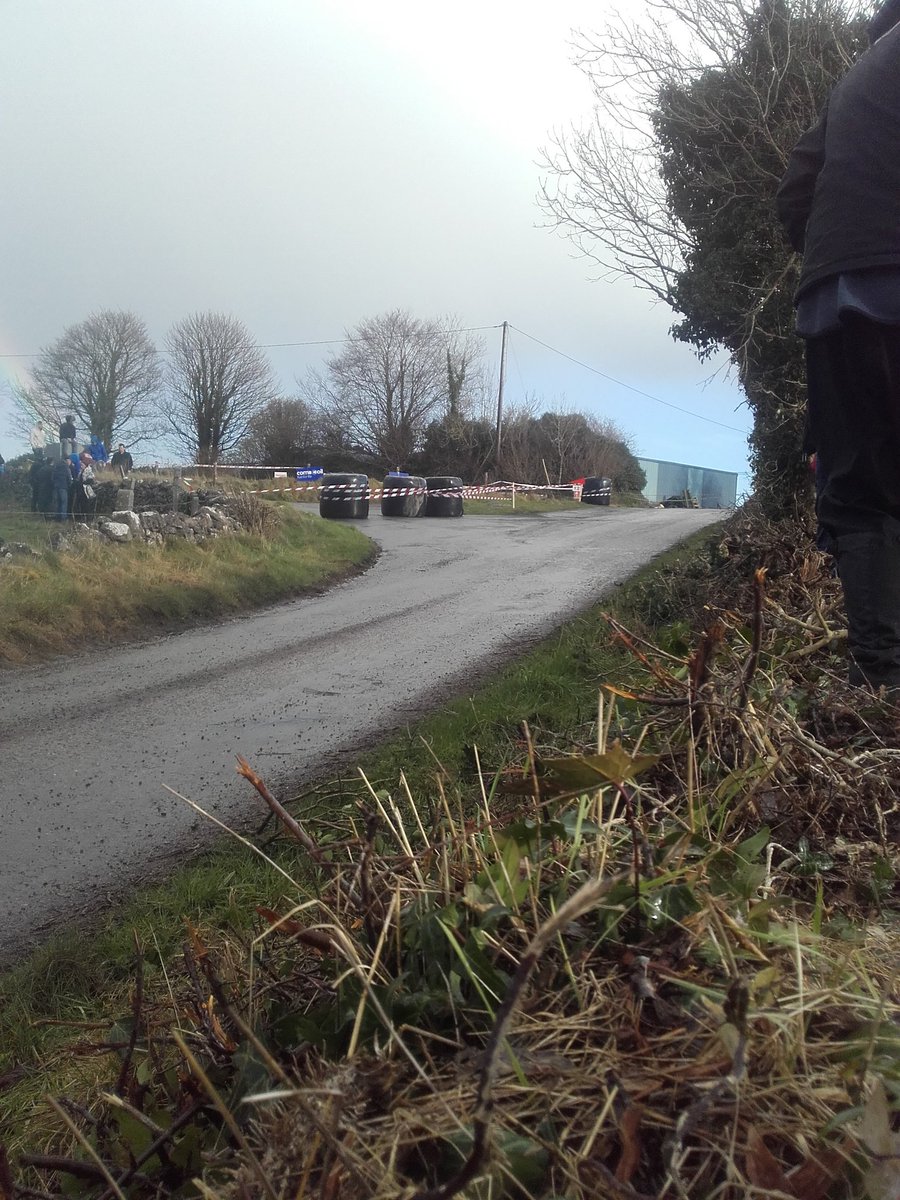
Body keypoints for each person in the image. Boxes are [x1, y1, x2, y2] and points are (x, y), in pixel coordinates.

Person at [776, 0, 900, 691]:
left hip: (834, 295)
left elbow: (795, 194)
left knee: (860, 489)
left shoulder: (852, 81)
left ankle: (879, 679)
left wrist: (840, 251)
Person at [50, 454, 73, 522]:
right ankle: (63, 518)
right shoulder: (66, 467)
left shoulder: (56, 466)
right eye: (69, 461)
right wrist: (69, 485)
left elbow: (52, 477)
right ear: (67, 460)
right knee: (64, 503)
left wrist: (54, 484)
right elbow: (69, 478)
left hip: (56, 487)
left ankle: (57, 517)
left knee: (58, 502)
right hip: (63, 487)